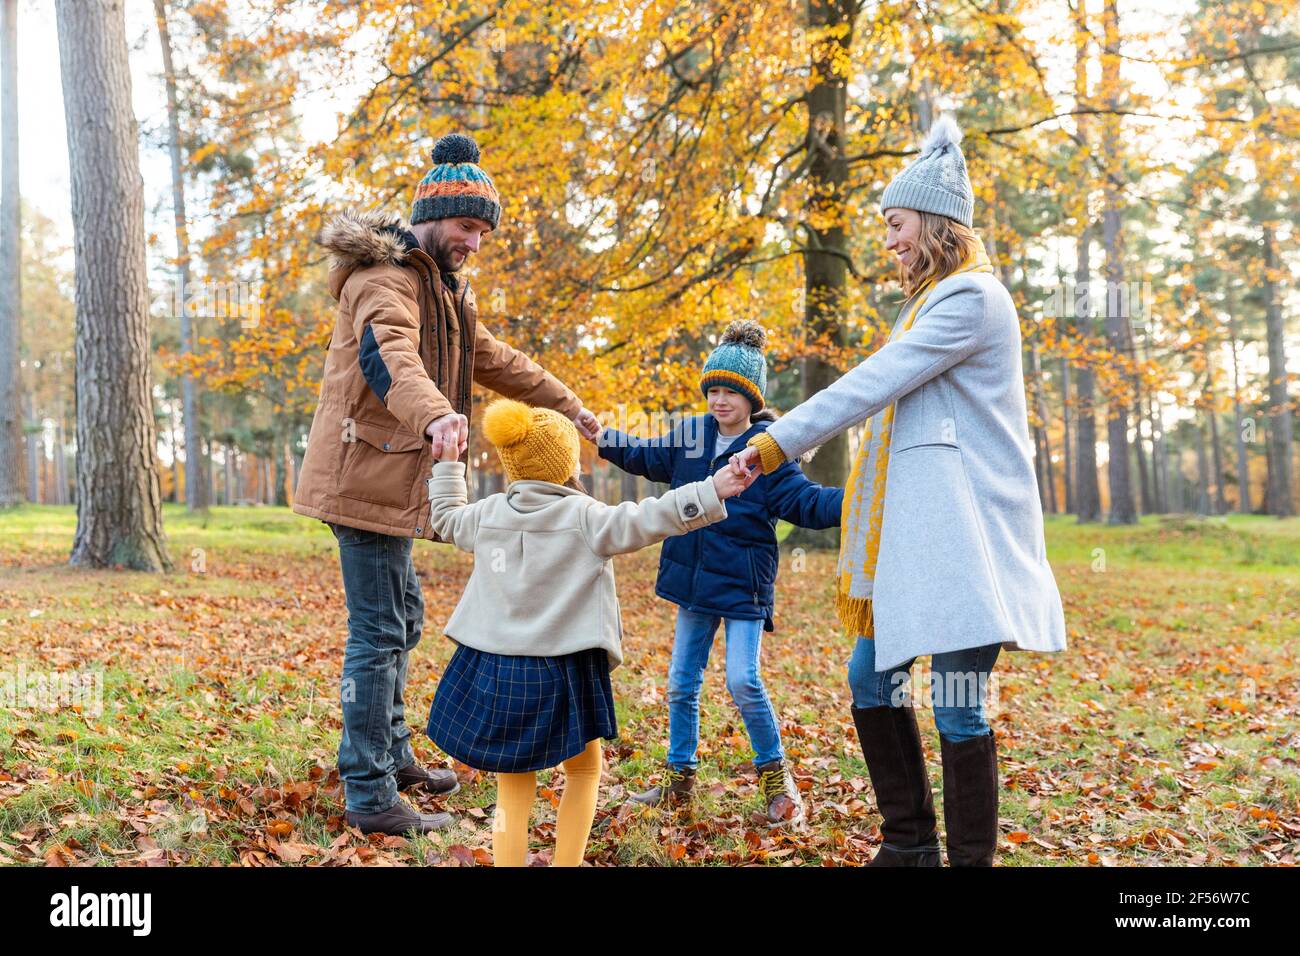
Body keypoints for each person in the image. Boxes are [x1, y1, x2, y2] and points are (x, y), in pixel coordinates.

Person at [730, 115, 1067, 866]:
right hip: (923, 547)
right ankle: (909, 844)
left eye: (896, 224)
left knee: (956, 705)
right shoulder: (932, 301)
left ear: (935, 222)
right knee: (868, 676)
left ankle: (968, 858)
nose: (888, 242)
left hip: (966, 544)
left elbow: (875, 382)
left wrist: (774, 441)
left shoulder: (972, 298)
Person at [293, 132, 602, 836]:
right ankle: (368, 789)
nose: (476, 242)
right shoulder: (386, 282)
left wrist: (570, 405)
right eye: (468, 226)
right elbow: (389, 357)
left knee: (402, 621)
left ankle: (393, 756)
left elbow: (499, 361)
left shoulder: (446, 295)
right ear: (433, 215)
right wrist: (436, 417)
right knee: (377, 632)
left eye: (485, 231)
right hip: (362, 474)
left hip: (388, 476)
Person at [424, 399, 749, 865]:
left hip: (497, 669)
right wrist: (714, 488)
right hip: (565, 668)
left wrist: (449, 464)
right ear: (566, 464)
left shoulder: (489, 513)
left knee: (512, 788)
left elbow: (446, 517)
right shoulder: (585, 517)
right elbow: (653, 517)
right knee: (584, 770)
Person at [597, 320, 842, 827]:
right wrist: (601, 436)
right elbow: (645, 455)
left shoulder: (769, 450)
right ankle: (677, 781)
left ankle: (778, 783)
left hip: (743, 584)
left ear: (752, 397)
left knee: (742, 680)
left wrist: (860, 500)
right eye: (713, 389)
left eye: (731, 391)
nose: (719, 400)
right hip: (693, 582)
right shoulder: (691, 436)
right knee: (681, 683)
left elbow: (807, 503)